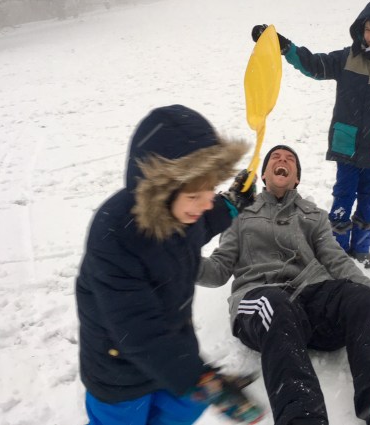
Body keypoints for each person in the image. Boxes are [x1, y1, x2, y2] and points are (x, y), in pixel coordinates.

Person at [197, 145, 370, 425]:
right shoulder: (240, 217)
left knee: (362, 298)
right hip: (262, 300)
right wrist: (180, 259)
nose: (282, 160)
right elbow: (218, 270)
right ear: (264, 175)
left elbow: (336, 259)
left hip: (313, 299)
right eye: (275, 157)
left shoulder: (313, 215)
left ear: (297, 177)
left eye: (289, 159)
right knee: (275, 306)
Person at [75, 104, 263, 425]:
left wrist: (232, 203)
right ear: (160, 193)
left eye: (210, 189)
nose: (206, 203)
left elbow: (203, 224)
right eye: (194, 196)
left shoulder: (184, 214)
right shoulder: (114, 236)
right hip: (120, 373)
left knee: (181, 411)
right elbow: (138, 329)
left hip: (174, 354)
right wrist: (206, 384)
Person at [251, 0, 370, 268]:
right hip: (347, 144)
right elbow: (314, 65)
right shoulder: (347, 58)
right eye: (367, 29)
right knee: (343, 195)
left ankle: (362, 247)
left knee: (368, 197)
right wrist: (284, 46)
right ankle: (338, 250)